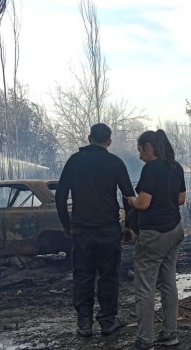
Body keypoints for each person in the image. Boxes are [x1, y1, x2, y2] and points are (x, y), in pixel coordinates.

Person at [55, 123, 136, 338]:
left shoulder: (75, 161)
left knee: (83, 275)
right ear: (109, 141)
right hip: (109, 230)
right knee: (109, 275)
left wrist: (67, 224)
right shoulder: (114, 163)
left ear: (89, 137)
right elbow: (128, 196)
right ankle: (108, 321)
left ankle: (84, 323)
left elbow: (60, 195)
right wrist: (129, 226)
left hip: (81, 230)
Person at [119, 130, 186, 350]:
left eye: (140, 150)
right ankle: (169, 333)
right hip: (175, 230)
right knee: (168, 283)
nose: (139, 156)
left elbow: (144, 203)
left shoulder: (152, 168)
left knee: (145, 288)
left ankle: (144, 341)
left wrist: (131, 201)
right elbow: (180, 199)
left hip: (154, 234)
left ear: (149, 147)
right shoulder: (175, 167)